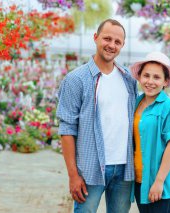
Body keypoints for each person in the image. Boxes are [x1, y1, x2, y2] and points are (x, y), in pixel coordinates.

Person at [56, 19, 137, 213]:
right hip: (90, 170)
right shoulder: (76, 79)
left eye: (117, 42)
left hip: (124, 169)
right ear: (95, 38)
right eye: (107, 38)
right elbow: (67, 129)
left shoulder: (129, 78)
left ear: (122, 45)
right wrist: (73, 175)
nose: (111, 45)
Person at [130, 52, 170, 213]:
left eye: (156, 77)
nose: (150, 82)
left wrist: (159, 181)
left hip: (162, 187)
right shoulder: (136, 103)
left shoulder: (169, 107)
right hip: (141, 182)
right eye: (146, 75)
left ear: (165, 81)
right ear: (139, 77)